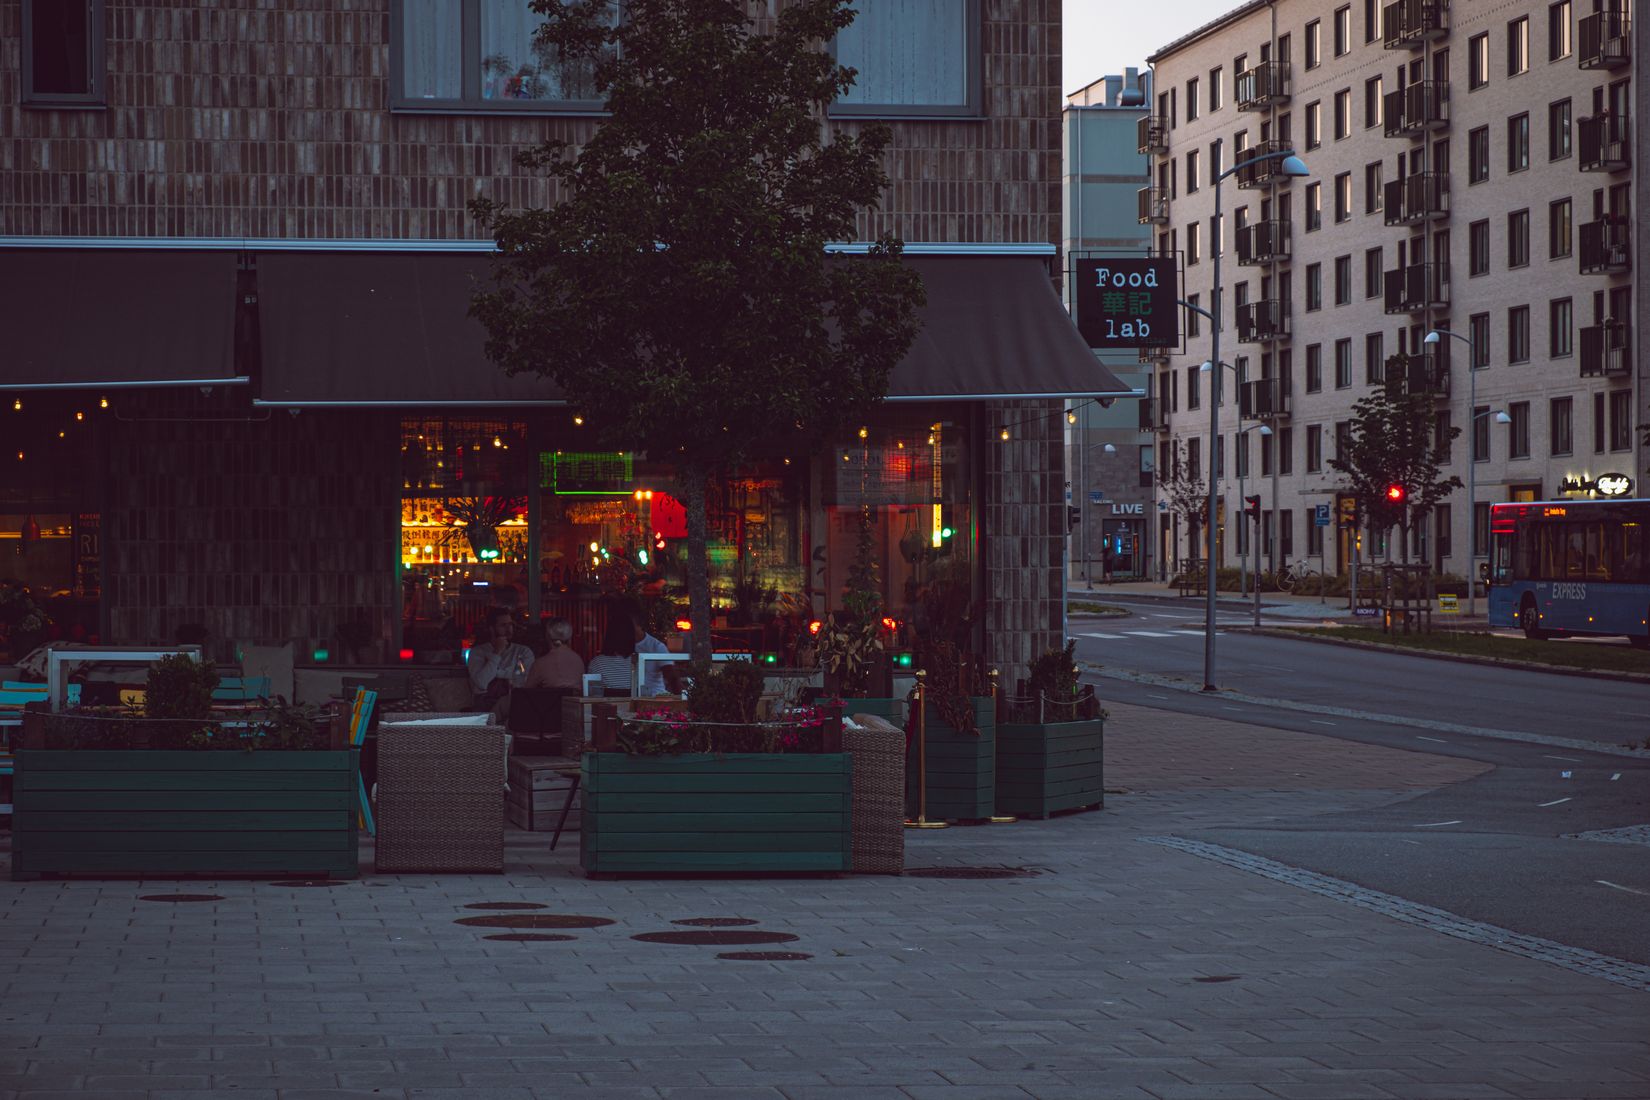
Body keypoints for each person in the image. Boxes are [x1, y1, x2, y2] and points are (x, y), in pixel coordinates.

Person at [467, 607, 534, 708]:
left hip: (514, 700)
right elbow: (482, 683)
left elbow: (523, 680)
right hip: (485, 703)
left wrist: (496, 673)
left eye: (510, 624)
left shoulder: (523, 651)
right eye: (503, 625)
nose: (509, 629)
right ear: (492, 628)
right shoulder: (478, 652)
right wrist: (497, 653)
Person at [524, 617, 585, 691]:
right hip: (572, 702)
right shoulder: (579, 661)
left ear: (547, 636)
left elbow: (526, 692)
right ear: (569, 637)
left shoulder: (540, 664)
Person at [588, 610, 638, 697]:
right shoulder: (638, 661)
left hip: (605, 709)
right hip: (633, 709)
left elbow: (591, 694)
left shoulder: (597, 663)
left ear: (608, 636)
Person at [634, 617, 669, 696]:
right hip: (632, 697)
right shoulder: (622, 646)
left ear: (640, 625)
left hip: (656, 697)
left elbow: (672, 676)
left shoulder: (657, 646)